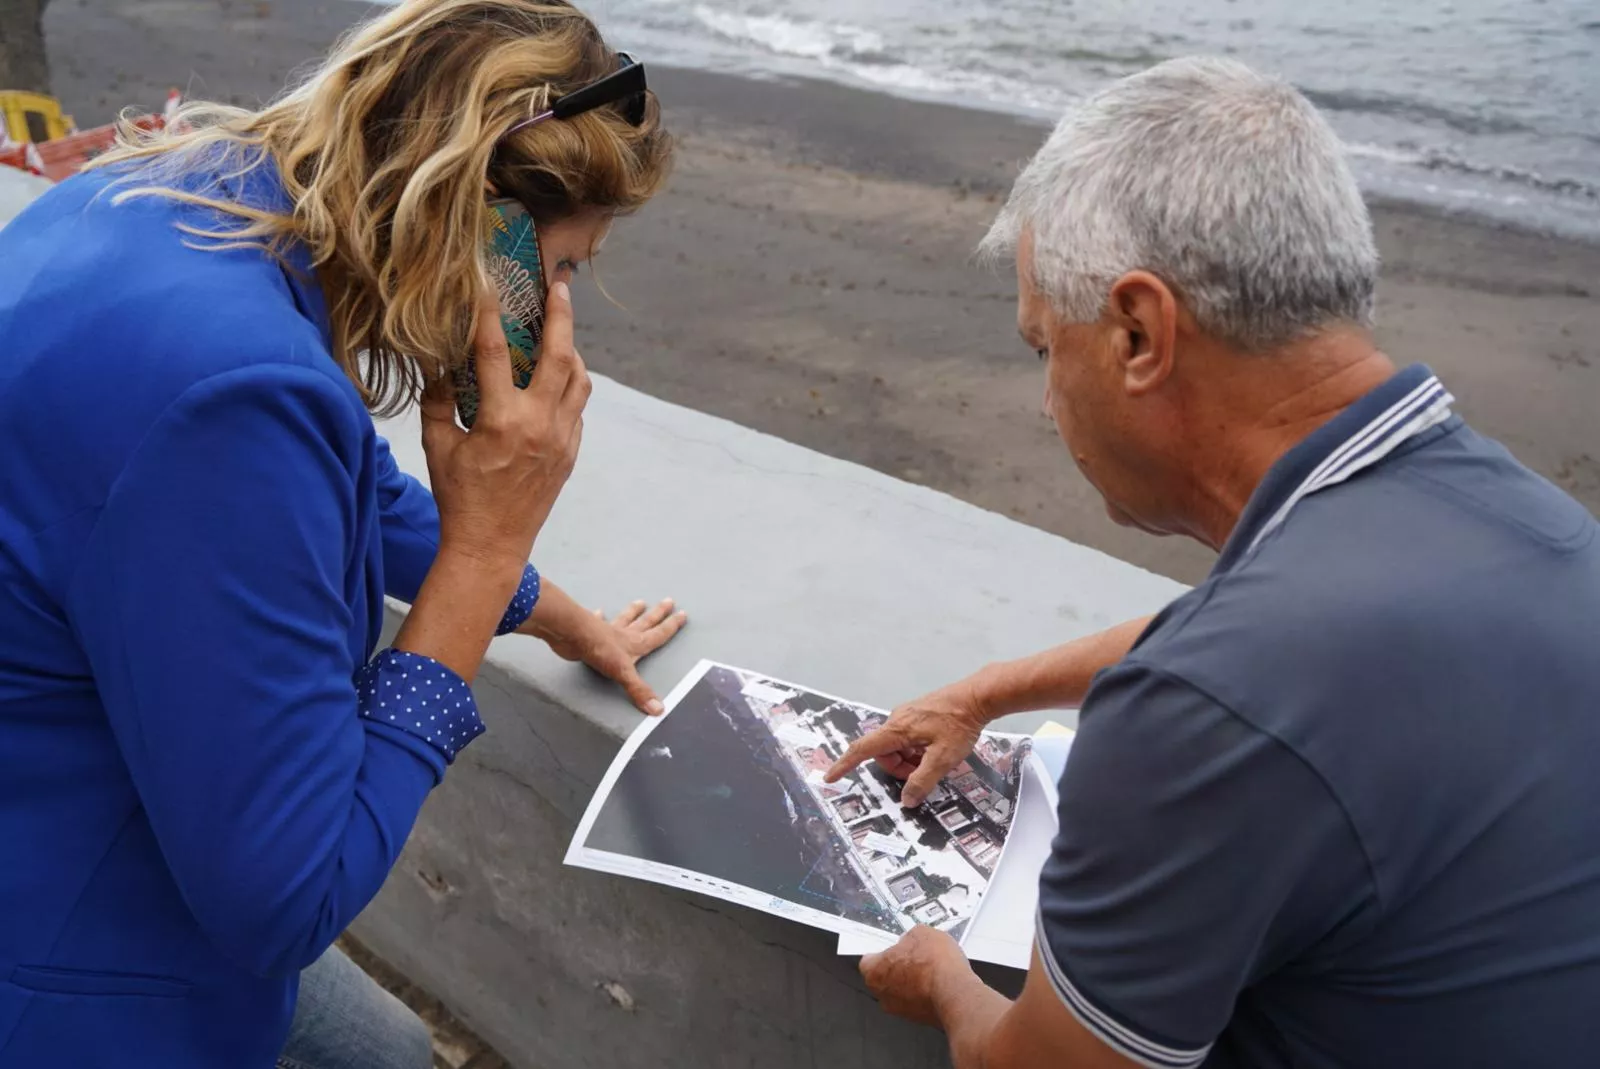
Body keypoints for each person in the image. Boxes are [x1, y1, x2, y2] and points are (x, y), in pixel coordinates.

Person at [827, 57, 1600, 1068]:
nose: (1048, 399)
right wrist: (988, 691)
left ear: (1138, 334)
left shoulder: (1207, 704)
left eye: (1042, 348)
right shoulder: (1529, 523)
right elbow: (1242, 649)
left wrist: (938, 979)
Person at [0, 1, 681, 1066]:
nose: (553, 306)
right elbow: (289, 897)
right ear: (476, 221)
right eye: (552, 270)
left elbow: (342, 482)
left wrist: (552, 613)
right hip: (69, 954)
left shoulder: (160, 193)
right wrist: (483, 556)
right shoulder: (232, 397)